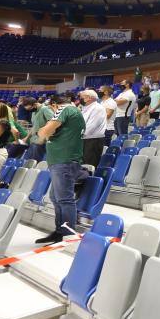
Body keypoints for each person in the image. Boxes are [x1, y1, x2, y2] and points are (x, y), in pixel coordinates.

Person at [36, 93, 88, 244]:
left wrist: (43, 130)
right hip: (62, 161)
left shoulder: (64, 108)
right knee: (56, 197)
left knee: (64, 199)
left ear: (54, 105)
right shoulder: (73, 112)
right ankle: (60, 231)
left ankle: (67, 234)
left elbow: (44, 132)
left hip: (64, 161)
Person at [79, 89, 106, 168]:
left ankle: (89, 180)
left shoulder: (98, 108)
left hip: (93, 141)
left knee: (88, 165)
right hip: (84, 139)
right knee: (82, 164)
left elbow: (90, 127)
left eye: (82, 97)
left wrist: (76, 135)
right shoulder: (86, 108)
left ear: (90, 98)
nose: (80, 99)